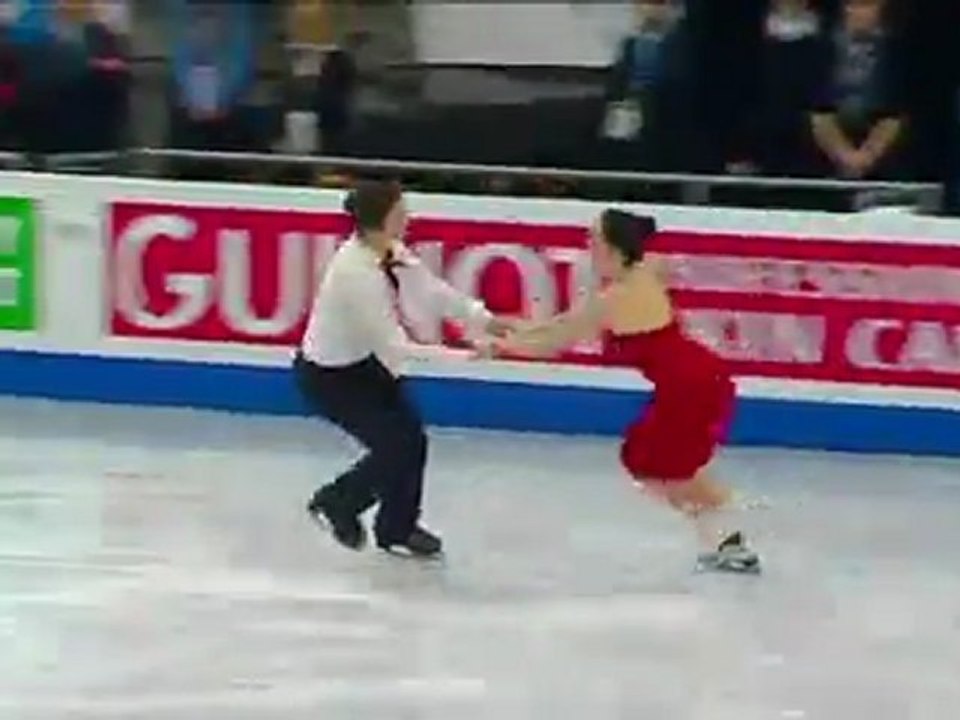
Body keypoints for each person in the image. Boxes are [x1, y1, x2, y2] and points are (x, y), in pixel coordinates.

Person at [492, 209, 760, 574]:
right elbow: (556, 327)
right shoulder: (646, 270)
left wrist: (500, 347)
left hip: (691, 387)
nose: (588, 247)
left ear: (613, 249)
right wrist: (505, 332)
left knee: (655, 465)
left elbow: (552, 341)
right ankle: (727, 536)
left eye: (594, 240)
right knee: (661, 467)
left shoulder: (616, 297)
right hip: (697, 379)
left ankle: (733, 521)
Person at [294, 179, 510, 558]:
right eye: (401, 211)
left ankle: (397, 528)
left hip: (364, 366)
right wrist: (465, 355)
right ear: (383, 218)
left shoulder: (387, 249)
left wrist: (482, 318)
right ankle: (336, 502)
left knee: (412, 440)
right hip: (330, 378)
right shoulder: (355, 273)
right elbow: (393, 344)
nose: (409, 217)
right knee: (396, 446)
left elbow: (431, 290)